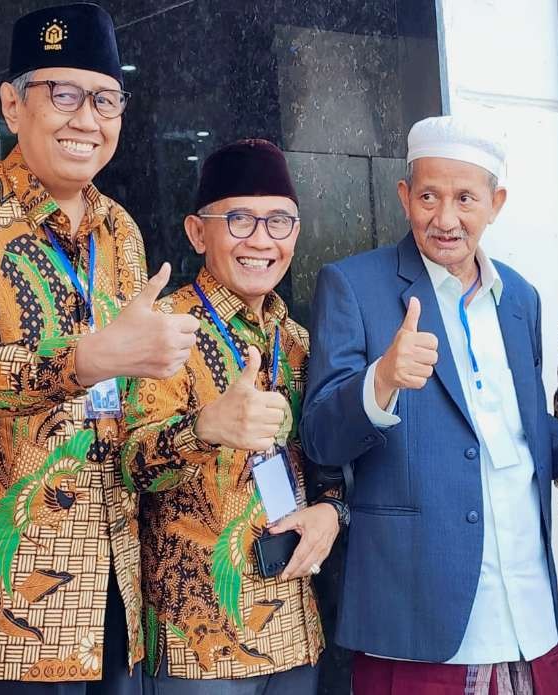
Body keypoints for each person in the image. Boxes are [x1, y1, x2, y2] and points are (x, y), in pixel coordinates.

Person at [0, 4, 199, 693]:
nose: (87, 118)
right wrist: (85, 359)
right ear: (11, 105)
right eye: (63, 93)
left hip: (109, 593)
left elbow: (122, 413)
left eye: (106, 98)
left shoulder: (123, 231)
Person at [301, 115, 558, 695]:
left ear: (495, 203)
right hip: (416, 618)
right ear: (403, 197)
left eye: (465, 198)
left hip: (527, 613)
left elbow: (515, 425)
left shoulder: (519, 297)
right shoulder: (354, 286)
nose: (445, 219)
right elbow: (320, 435)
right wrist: (382, 380)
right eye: (428, 197)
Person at [121, 139, 346, 694]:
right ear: (199, 233)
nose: (262, 240)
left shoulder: (295, 341)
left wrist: (332, 512)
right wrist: (204, 429)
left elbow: (328, 464)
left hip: (294, 628)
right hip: (198, 638)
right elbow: (126, 466)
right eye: (239, 220)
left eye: (279, 222)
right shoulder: (164, 328)